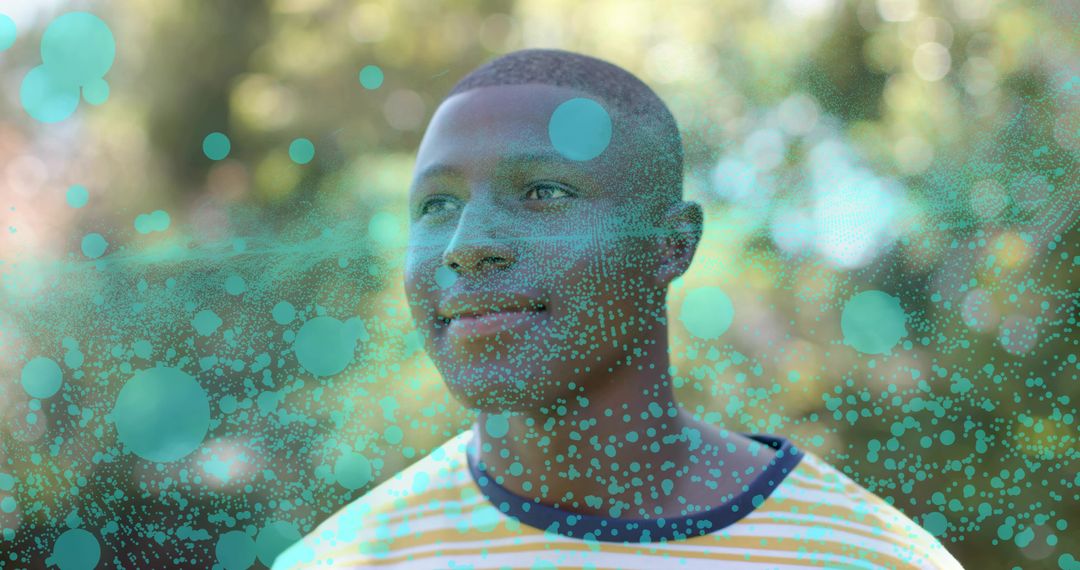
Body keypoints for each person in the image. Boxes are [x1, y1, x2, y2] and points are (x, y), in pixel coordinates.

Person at [273, 49, 964, 569]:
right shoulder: (341, 559)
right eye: (438, 204)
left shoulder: (870, 557)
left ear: (670, 245)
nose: (467, 245)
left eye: (542, 192)